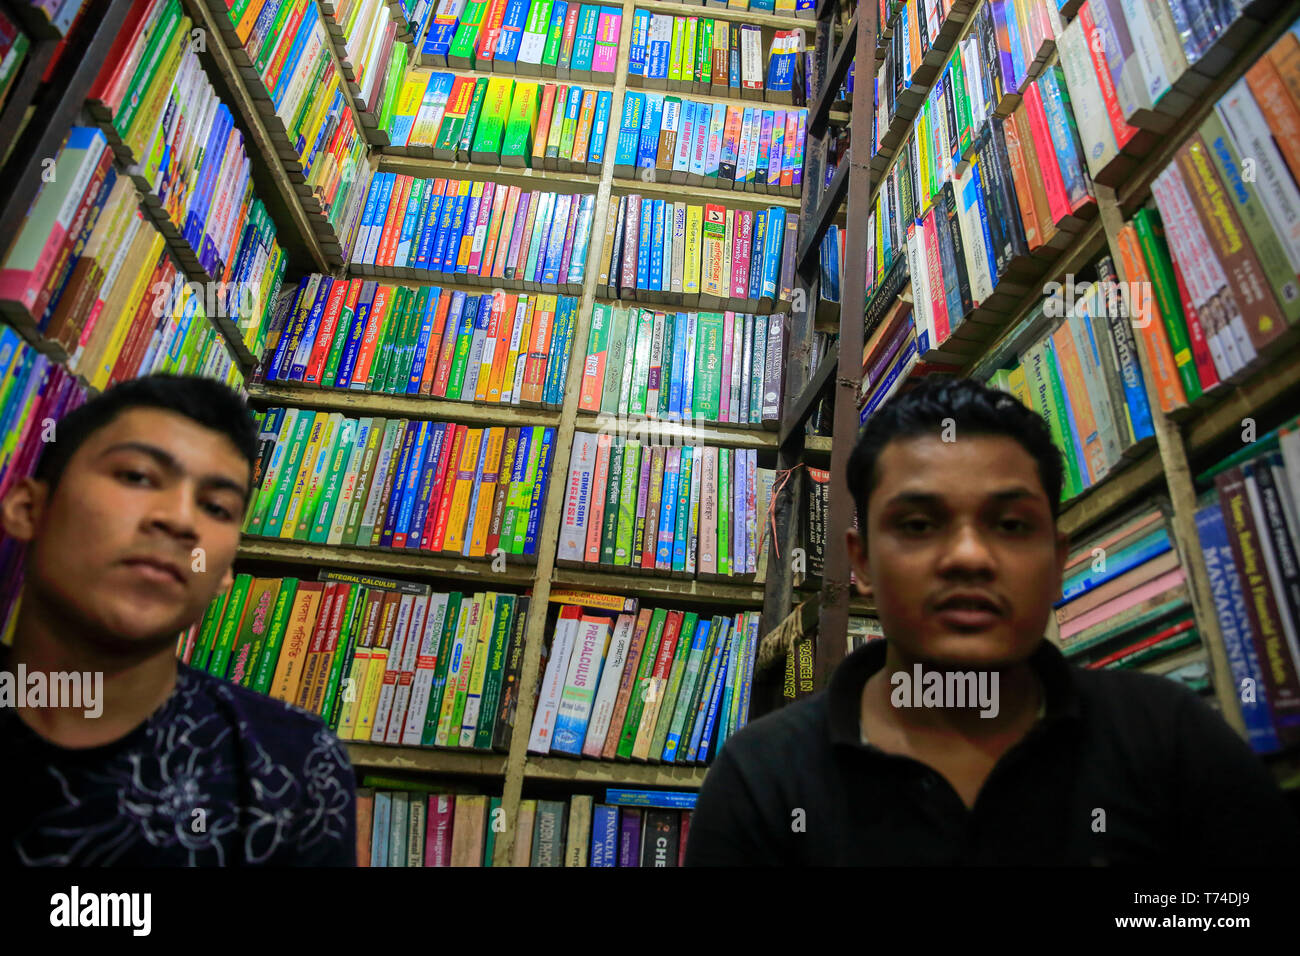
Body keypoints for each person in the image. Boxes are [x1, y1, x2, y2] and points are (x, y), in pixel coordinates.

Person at [685, 376, 1300, 865]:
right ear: (863, 563)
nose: (969, 557)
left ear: (1058, 563)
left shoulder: (1172, 740)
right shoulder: (760, 782)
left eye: (1010, 525)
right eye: (919, 525)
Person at [0, 374, 355, 865]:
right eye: (137, 477)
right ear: (27, 509)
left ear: (223, 575)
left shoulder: (296, 769)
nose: (181, 521)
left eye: (216, 506)